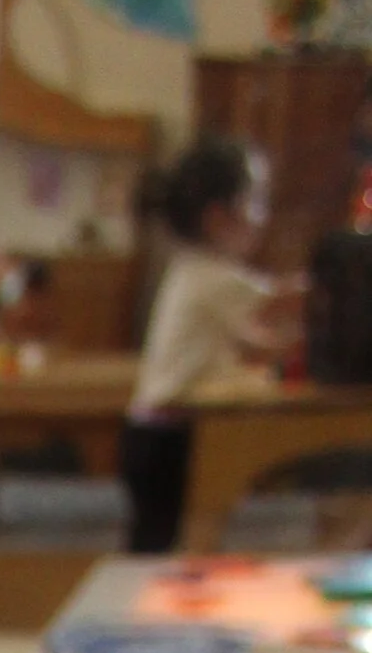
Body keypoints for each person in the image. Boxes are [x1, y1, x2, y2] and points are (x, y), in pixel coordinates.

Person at [124, 136, 300, 554]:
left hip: (154, 430)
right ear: (218, 217)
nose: (264, 216)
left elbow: (254, 341)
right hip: (169, 435)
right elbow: (282, 304)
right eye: (255, 201)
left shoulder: (193, 270)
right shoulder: (213, 279)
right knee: (163, 544)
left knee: (156, 539)